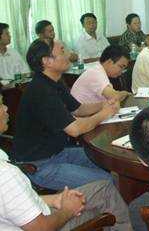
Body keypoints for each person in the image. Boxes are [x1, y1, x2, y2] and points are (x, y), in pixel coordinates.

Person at [0, 95, 132, 231]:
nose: (6, 108)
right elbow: (41, 228)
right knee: (106, 191)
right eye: (1, 105)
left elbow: (14, 203)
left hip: (36, 206)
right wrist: (67, 210)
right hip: (44, 218)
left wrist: (55, 199)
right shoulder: (6, 173)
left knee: (104, 185)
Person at [12, 40, 119, 190]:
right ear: (47, 61)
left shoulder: (54, 81)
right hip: (40, 165)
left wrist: (103, 104)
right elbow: (74, 129)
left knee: (111, 165)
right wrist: (104, 113)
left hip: (58, 153)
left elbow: (78, 109)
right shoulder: (41, 90)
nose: (68, 54)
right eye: (62, 51)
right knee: (107, 181)